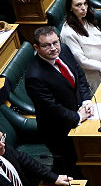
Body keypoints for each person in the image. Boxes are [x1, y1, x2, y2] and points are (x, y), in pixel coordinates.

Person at [25, 25, 94, 174]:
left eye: (55, 43)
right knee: (76, 167)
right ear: (36, 47)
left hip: (80, 112)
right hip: (60, 131)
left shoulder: (64, 50)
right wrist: (78, 117)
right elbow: (51, 108)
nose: (53, 48)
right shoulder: (34, 76)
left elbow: (79, 75)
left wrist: (86, 100)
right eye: (46, 45)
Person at [59, 0, 101, 93]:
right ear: (70, 8)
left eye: (85, 3)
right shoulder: (68, 33)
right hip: (91, 76)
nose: (83, 8)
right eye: (78, 5)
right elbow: (81, 61)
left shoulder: (86, 19)